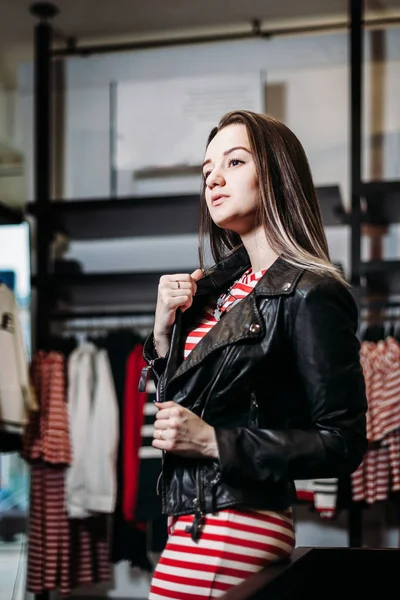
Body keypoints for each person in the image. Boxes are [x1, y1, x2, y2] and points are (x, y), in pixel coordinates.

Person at [142, 110, 368, 599]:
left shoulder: (310, 291)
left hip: (238, 522)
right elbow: (183, 408)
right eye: (206, 172)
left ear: (277, 174)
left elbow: (343, 441)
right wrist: (163, 337)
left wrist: (215, 443)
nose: (215, 179)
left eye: (235, 162)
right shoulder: (216, 291)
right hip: (191, 521)